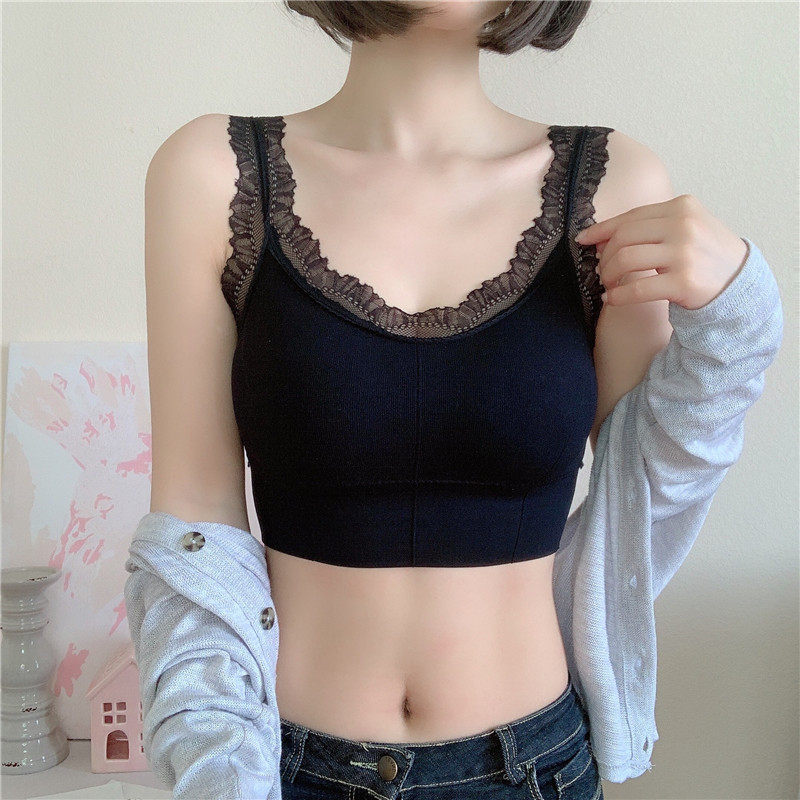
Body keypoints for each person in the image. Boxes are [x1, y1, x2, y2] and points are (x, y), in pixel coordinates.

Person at [128, 2, 783, 798]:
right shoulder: (211, 175)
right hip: (283, 766)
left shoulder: (613, 185)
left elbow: (649, 493)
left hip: (533, 770)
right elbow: (192, 528)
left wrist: (738, 319)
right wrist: (218, 774)